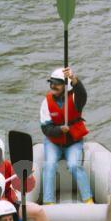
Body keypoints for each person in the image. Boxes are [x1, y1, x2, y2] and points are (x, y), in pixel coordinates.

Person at [40, 67, 93, 204]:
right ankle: (48, 201)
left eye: (57, 83)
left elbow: (82, 94)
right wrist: (59, 130)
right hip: (54, 142)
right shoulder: (46, 102)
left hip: (73, 142)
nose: (53, 86)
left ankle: (88, 199)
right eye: (51, 83)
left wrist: (74, 79)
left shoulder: (76, 98)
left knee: (74, 165)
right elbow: (45, 128)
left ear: (65, 85)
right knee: (49, 165)